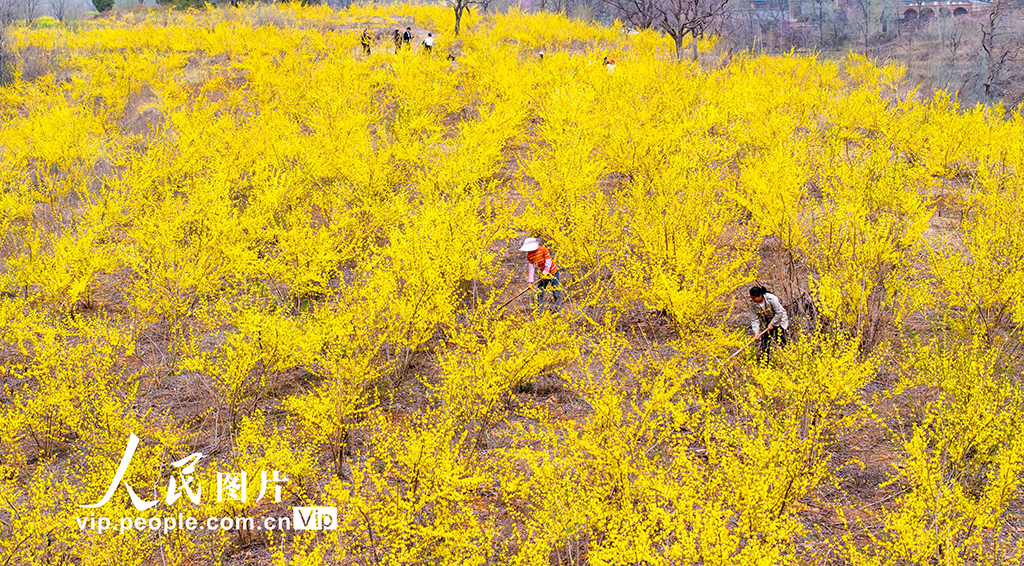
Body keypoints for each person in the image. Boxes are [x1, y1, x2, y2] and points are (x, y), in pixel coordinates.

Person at [520, 237, 562, 314]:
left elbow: (548, 262)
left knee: (556, 292)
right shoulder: (529, 256)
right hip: (542, 274)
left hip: (553, 272)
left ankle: (557, 312)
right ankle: (540, 312)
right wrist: (530, 281)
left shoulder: (543, 250)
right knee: (540, 292)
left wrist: (545, 273)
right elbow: (531, 268)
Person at [749, 285, 788, 363]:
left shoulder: (772, 298)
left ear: (760, 295)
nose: (752, 300)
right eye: (751, 298)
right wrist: (756, 332)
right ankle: (764, 361)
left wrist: (772, 324)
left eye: (754, 298)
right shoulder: (753, 304)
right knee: (765, 341)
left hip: (779, 320)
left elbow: (779, 313)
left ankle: (785, 359)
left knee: (781, 339)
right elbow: (754, 319)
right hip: (768, 322)